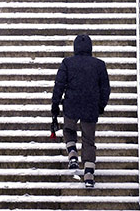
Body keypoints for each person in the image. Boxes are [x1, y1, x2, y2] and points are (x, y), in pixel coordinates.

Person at [51, 34, 111, 188]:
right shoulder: (99, 65)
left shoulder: (67, 63)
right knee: (88, 140)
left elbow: (59, 85)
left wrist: (55, 104)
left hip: (72, 104)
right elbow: (105, 89)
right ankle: (89, 173)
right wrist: (100, 106)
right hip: (90, 106)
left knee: (69, 129)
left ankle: (72, 154)